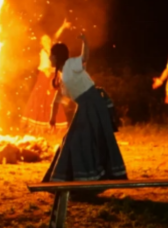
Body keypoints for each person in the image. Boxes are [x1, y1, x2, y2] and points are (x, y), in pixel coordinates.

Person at [44, 33, 128, 183]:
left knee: (85, 139)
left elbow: (84, 57)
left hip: (94, 103)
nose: (49, 58)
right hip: (84, 107)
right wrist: (52, 119)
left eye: (51, 55)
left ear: (57, 57)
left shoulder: (71, 64)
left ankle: (93, 176)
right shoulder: (62, 77)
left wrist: (85, 41)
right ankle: (78, 178)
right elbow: (57, 101)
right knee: (73, 140)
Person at [22, 20, 71, 135]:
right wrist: (51, 74)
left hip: (51, 76)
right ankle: (42, 126)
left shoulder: (51, 48)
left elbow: (55, 36)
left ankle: (52, 126)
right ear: (41, 43)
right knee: (43, 99)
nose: (47, 40)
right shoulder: (43, 52)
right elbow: (45, 68)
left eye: (48, 39)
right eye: (44, 40)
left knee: (54, 99)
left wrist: (63, 26)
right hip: (45, 77)